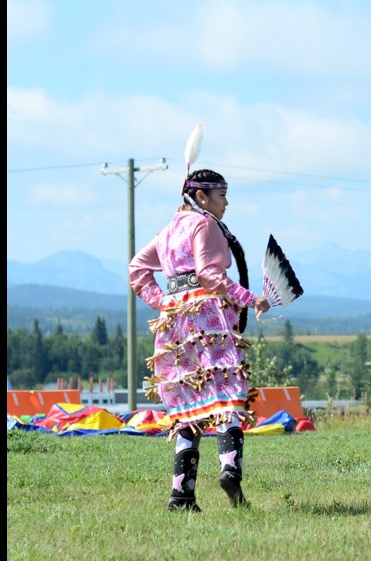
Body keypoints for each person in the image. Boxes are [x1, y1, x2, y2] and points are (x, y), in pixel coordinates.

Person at [129, 168, 271, 512]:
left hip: (174, 326)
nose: (227, 202)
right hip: (206, 319)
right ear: (202, 196)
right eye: (221, 195)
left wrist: (163, 301)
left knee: (188, 408)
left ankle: (181, 496)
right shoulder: (203, 224)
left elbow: (137, 269)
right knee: (228, 393)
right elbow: (209, 275)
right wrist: (250, 299)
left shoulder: (170, 229)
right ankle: (230, 469)